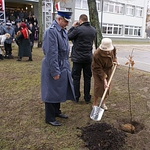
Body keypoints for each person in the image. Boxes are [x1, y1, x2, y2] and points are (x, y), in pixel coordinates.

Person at [41, 11, 76, 126]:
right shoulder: (51, 32)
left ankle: (57, 111)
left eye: (67, 21)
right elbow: (51, 53)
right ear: (59, 19)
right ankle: (49, 117)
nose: (67, 23)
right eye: (65, 21)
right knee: (51, 90)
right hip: (54, 64)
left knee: (59, 89)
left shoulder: (61, 30)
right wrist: (55, 71)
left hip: (62, 63)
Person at [67, 14, 97, 103]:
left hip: (77, 58)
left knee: (76, 78)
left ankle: (76, 97)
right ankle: (87, 97)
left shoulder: (78, 29)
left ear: (80, 20)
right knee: (87, 78)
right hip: (88, 58)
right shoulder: (93, 30)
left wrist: (73, 27)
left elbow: (68, 36)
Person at [92, 38, 117, 110]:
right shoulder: (97, 54)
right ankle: (95, 104)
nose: (107, 52)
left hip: (108, 69)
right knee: (99, 86)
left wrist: (115, 61)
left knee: (107, 87)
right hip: (98, 71)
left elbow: (114, 56)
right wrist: (104, 80)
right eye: (105, 51)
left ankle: (103, 103)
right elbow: (97, 68)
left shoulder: (113, 48)